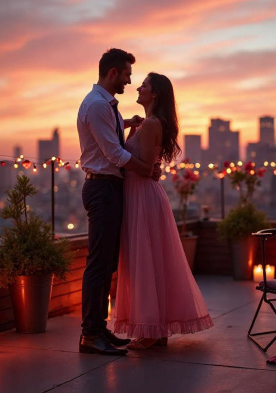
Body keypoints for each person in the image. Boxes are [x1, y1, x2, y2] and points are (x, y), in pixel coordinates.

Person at [113, 72, 213, 349]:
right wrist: (131, 127)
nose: (138, 88)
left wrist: (119, 160)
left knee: (143, 260)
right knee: (151, 260)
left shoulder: (151, 124)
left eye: (143, 85)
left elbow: (144, 166)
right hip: (143, 195)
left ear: (154, 93)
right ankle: (156, 327)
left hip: (141, 195)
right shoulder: (148, 123)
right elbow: (148, 164)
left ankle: (149, 331)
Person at [77, 48, 155, 356]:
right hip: (103, 189)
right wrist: (147, 169)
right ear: (113, 73)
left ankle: (99, 330)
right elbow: (115, 154)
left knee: (107, 263)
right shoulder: (97, 105)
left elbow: (109, 135)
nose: (129, 81)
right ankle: (90, 334)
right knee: (98, 264)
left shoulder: (105, 106)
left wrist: (126, 122)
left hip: (109, 188)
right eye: (126, 75)